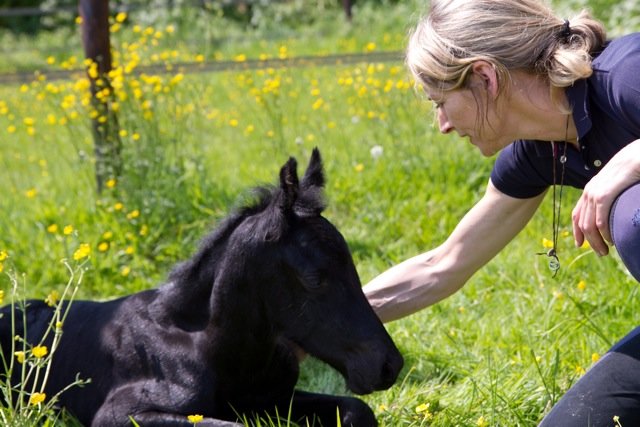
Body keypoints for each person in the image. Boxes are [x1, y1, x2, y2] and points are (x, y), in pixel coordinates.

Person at [362, 0, 640, 424]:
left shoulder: (625, 75)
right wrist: (314, 321)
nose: (443, 125)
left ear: (484, 77)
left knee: (633, 218)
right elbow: (444, 264)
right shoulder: (538, 152)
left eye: (441, 102)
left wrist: (630, 161)